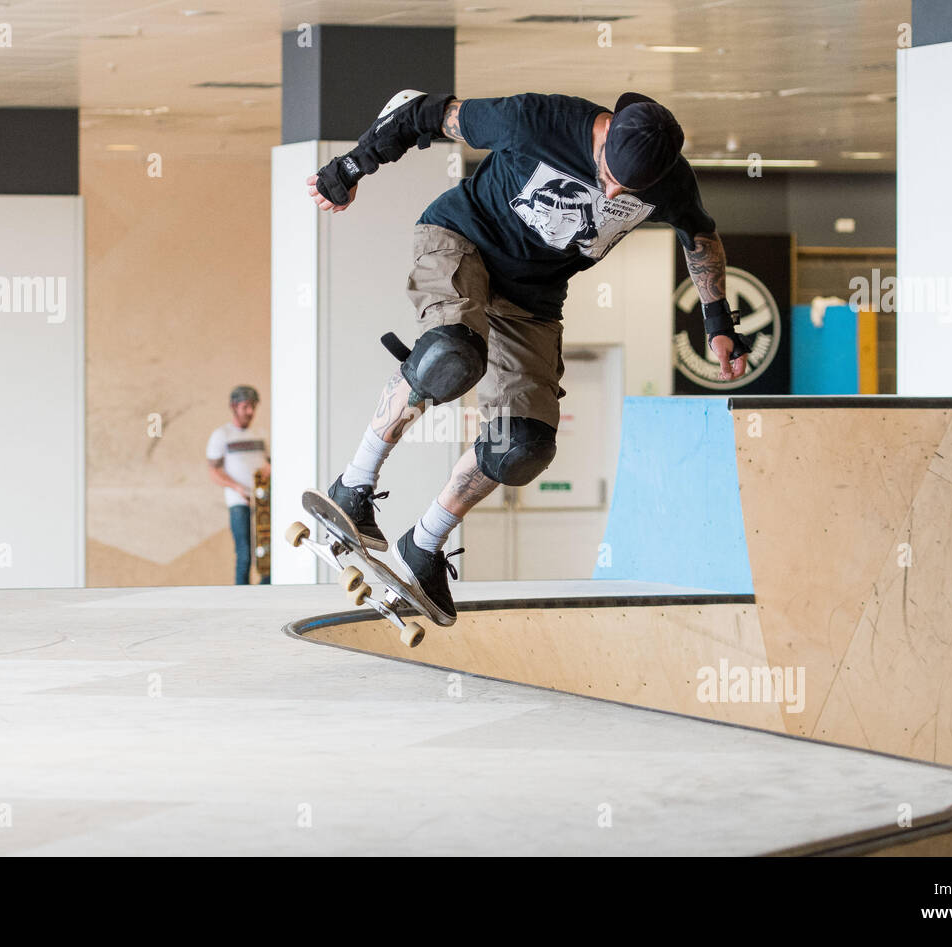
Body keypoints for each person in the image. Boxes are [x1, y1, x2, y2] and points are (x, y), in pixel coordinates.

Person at [306, 90, 750, 623]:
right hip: (461, 238)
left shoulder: (671, 180)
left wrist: (718, 320)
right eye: (607, 173)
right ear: (604, 133)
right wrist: (350, 167)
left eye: (624, 191)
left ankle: (423, 544)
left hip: (532, 301)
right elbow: (421, 112)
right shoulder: (538, 121)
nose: (608, 191)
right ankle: (354, 484)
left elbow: (699, 234)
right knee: (451, 356)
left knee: (522, 446)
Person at [206, 385, 271, 585]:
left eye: (253, 407)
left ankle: (265, 592)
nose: (250, 412)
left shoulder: (260, 433)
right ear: (234, 407)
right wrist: (237, 488)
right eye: (246, 407)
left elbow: (270, 462)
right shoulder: (222, 435)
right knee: (244, 554)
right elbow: (214, 471)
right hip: (238, 500)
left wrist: (269, 468)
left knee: (267, 552)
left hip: (263, 500)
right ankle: (242, 596)